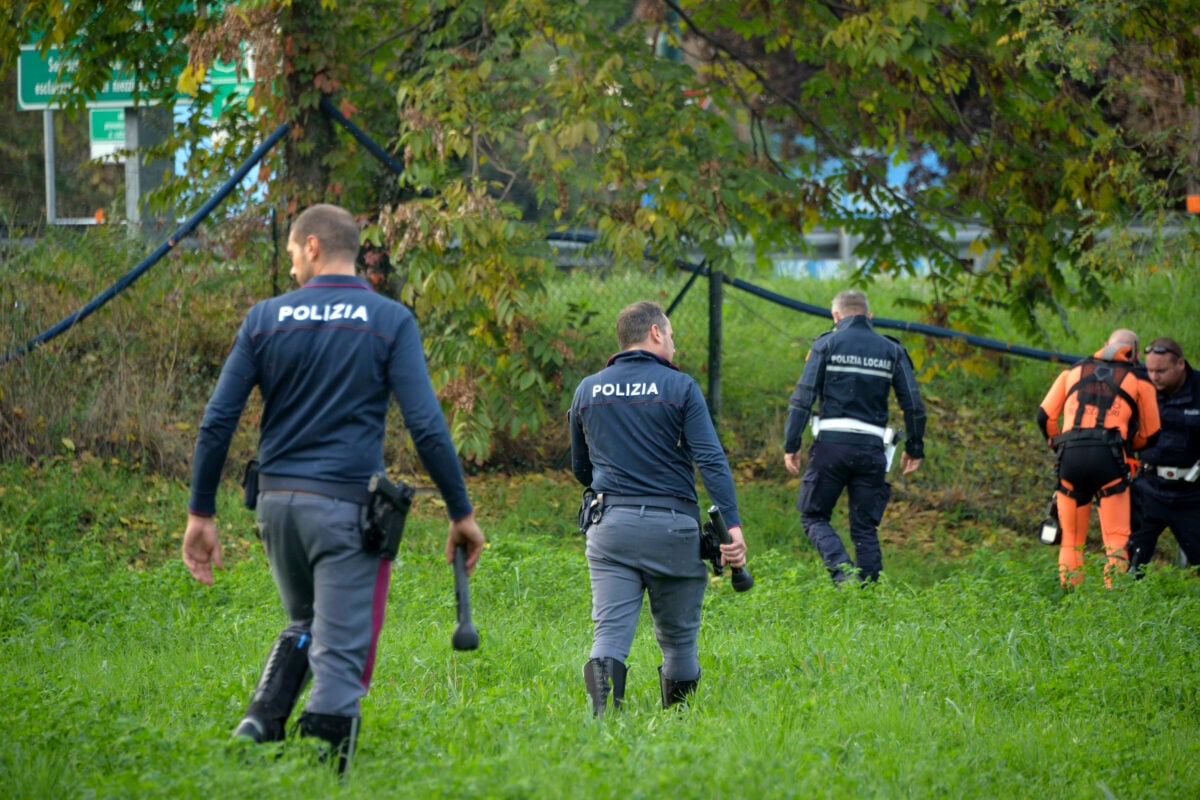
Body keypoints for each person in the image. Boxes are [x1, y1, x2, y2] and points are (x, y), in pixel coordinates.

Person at [180, 203, 485, 773]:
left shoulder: (264, 318)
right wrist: (460, 510)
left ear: (313, 247)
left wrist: (201, 512)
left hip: (274, 506)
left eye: (293, 255)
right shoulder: (389, 320)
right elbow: (425, 425)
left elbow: (218, 420)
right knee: (341, 657)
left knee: (308, 620)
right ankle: (319, 775)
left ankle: (262, 720)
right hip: (344, 511)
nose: (293, 268)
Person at [569, 301, 747, 715]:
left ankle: (603, 723)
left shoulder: (588, 389)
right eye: (671, 336)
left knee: (609, 634)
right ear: (654, 333)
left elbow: (581, 468)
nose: (674, 344)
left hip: (609, 528)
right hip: (673, 531)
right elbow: (711, 460)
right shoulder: (680, 387)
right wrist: (732, 527)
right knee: (679, 638)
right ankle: (677, 724)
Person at [782, 289, 926, 586]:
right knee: (865, 528)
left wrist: (791, 444)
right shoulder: (892, 350)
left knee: (813, 516)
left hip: (831, 448)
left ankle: (842, 572)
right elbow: (913, 404)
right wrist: (915, 447)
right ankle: (869, 595)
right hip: (873, 450)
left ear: (836, 316)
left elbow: (802, 398)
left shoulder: (826, 344)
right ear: (869, 316)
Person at [1037, 329, 1159, 587]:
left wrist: (1057, 444)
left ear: (1105, 345)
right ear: (1135, 353)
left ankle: (1071, 596)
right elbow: (1151, 434)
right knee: (1116, 536)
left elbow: (1044, 416)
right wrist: (1127, 447)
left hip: (1070, 458)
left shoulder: (1072, 372)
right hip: (1111, 460)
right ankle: (1114, 599)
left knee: (1071, 538)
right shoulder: (1139, 379)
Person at [1126, 338, 1200, 574]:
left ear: (1180, 364)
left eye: (1161, 371)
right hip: (1148, 488)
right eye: (1150, 370)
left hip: (1191, 493)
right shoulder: (1140, 386)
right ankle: (1127, 603)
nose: (1154, 376)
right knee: (1131, 561)